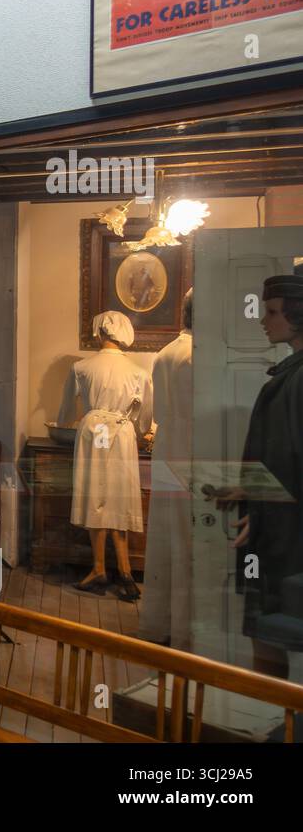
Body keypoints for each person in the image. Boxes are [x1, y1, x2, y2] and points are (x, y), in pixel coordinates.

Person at [213, 274, 303, 678]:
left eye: (272, 312)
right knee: (268, 629)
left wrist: (263, 509)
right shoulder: (290, 374)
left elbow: (292, 461)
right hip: (278, 527)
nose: (263, 321)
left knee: (271, 629)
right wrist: (248, 490)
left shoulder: (298, 379)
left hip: (287, 536)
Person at [57, 310, 154, 601]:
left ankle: (101, 568)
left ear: (100, 333)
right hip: (122, 434)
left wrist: (66, 422)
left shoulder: (82, 367)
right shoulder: (139, 372)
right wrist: (144, 430)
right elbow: (146, 420)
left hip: (92, 432)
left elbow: (64, 414)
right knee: (119, 497)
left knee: (94, 497)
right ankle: (123, 570)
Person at [140, 290, 194, 649]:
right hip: (193, 449)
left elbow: (155, 414)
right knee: (191, 542)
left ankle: (161, 621)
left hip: (166, 448)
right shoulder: (198, 356)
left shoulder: (164, 354)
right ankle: (188, 630)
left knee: (165, 538)